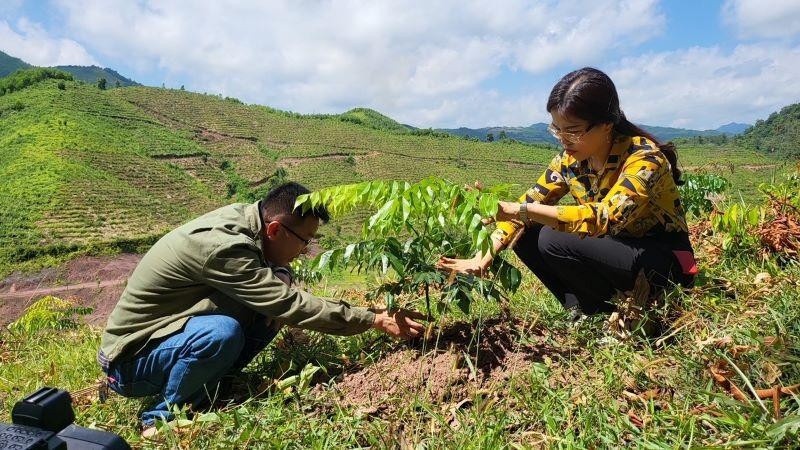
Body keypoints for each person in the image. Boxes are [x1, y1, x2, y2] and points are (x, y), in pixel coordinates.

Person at [98, 182, 426, 430]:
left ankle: (212, 384)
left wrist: (281, 273)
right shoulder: (225, 248)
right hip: (128, 362)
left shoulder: (248, 218)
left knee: (271, 292)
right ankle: (159, 420)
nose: (305, 250)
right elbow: (288, 304)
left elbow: (275, 283)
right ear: (274, 229)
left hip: (161, 341)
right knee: (223, 331)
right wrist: (373, 319)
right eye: (305, 241)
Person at [438, 67, 697, 316]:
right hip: (616, 253)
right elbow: (529, 202)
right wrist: (483, 256)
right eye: (556, 129)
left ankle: (619, 307)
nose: (563, 139)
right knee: (527, 233)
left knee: (552, 235)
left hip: (665, 263)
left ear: (606, 124)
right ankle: (585, 311)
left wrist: (521, 210)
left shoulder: (644, 158)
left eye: (573, 130)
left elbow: (606, 217)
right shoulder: (568, 162)